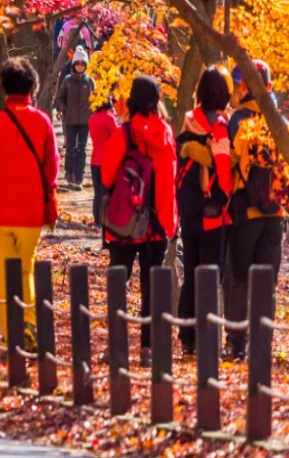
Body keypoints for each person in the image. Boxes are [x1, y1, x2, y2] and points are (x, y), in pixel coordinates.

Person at [0, 56, 58, 350]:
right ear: (32, 87)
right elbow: (51, 169)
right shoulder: (42, 122)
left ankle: (12, 334)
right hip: (30, 212)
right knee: (26, 270)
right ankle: (29, 324)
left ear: (5, 88)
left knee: (5, 275)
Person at [100, 74, 176, 355]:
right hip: (156, 224)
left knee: (119, 282)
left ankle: (117, 345)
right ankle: (149, 347)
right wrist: (169, 223)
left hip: (124, 223)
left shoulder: (124, 134)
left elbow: (108, 176)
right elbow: (169, 181)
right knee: (152, 286)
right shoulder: (166, 135)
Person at [225, 60, 288, 360]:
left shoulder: (237, 120)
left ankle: (237, 342)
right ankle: (263, 342)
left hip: (245, 211)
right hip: (275, 213)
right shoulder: (280, 122)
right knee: (267, 281)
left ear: (246, 85)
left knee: (238, 277)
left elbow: (230, 163)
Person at [175, 66, 234, 355]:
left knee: (190, 272)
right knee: (211, 275)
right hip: (213, 213)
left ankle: (187, 336)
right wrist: (230, 194)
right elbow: (224, 173)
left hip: (188, 210)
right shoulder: (220, 126)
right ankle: (206, 336)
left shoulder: (188, 122)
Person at [56, 49, 95, 189]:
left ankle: (79, 176)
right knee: (71, 148)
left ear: (85, 65)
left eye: (82, 63)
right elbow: (59, 97)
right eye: (77, 63)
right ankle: (69, 172)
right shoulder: (67, 81)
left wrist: (92, 111)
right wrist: (63, 108)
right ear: (73, 65)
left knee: (82, 149)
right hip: (70, 120)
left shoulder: (90, 81)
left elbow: (97, 98)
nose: (79, 66)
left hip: (85, 121)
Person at [88, 90, 123, 227]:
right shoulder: (109, 118)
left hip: (95, 158)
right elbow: (116, 137)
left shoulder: (92, 118)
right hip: (107, 159)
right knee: (106, 191)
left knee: (97, 191)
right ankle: (105, 219)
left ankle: (97, 218)